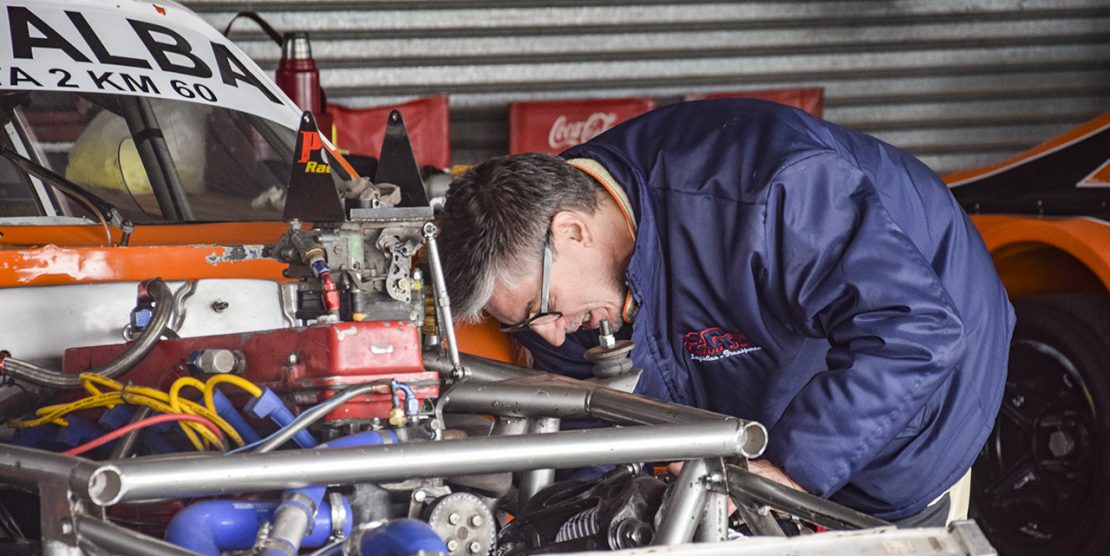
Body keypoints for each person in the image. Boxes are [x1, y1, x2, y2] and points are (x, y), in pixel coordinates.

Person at [438, 98, 1014, 526]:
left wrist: (791, 468)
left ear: (572, 230)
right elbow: (590, 430)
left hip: (917, 401)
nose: (547, 334)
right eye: (519, 324)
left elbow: (912, 329)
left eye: (544, 310)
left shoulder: (764, 191)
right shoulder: (553, 268)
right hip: (757, 399)